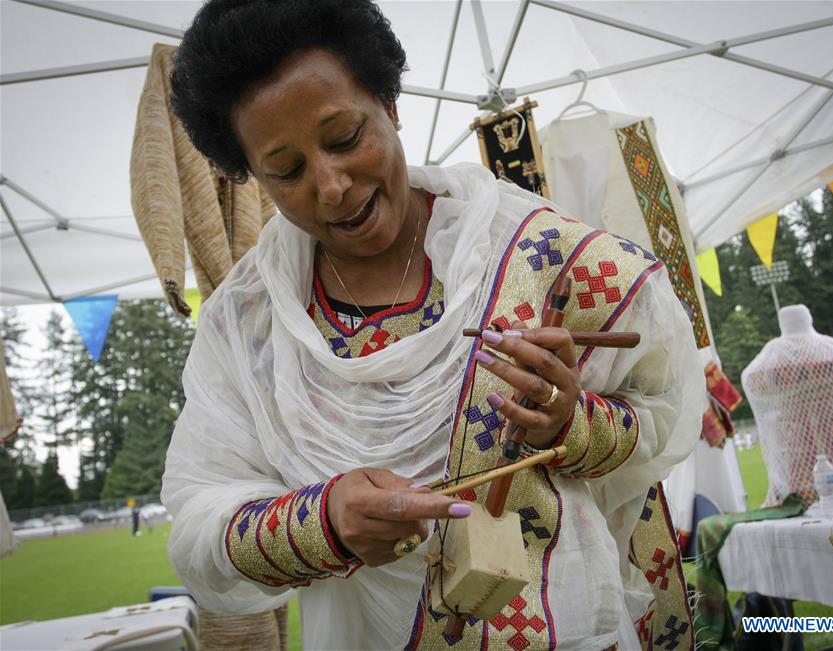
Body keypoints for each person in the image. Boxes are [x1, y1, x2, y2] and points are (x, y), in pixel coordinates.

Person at [161, 1, 705, 648]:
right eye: (288, 170)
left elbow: (664, 407)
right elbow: (198, 521)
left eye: (343, 139)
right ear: (255, 175)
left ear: (390, 105)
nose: (331, 185)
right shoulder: (247, 324)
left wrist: (571, 422)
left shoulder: (544, 258)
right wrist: (322, 522)